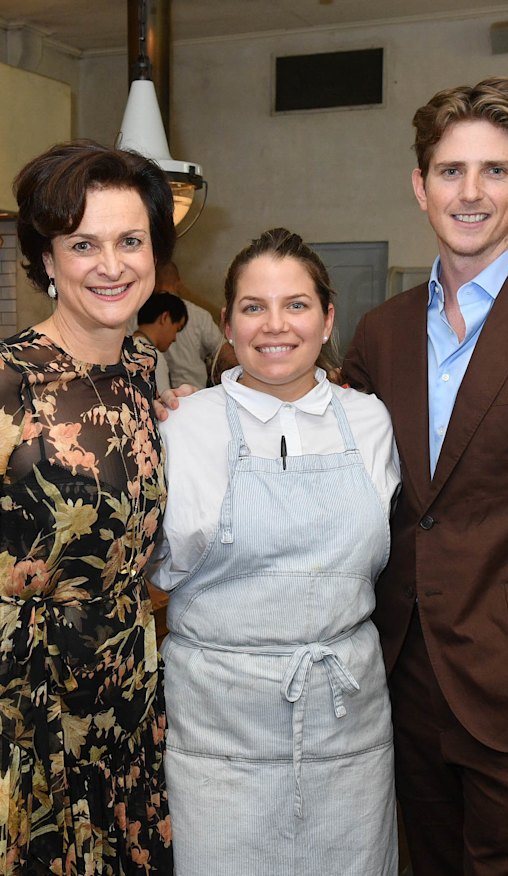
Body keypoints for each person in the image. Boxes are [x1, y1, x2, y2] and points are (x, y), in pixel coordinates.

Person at [343, 76, 508, 875]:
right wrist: (212, 414)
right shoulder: (380, 331)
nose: (470, 192)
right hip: (406, 689)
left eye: (496, 171)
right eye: (450, 171)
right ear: (420, 186)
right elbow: (333, 464)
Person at [150, 227, 401, 875]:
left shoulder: (370, 422)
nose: (275, 325)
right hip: (218, 736)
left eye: (296, 304)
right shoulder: (184, 426)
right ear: (227, 324)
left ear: (327, 319)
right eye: (253, 307)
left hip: (347, 728)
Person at [0, 140, 176, 874]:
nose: (112, 265)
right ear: (46, 259)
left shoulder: (143, 370)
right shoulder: (9, 382)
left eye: (130, 240)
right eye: (83, 244)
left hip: (127, 687)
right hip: (27, 701)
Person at [155, 260, 237, 388]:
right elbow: (224, 352)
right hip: (195, 393)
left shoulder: (136, 317)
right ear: (179, 283)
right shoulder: (198, 314)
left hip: (157, 399)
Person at [134, 291, 188, 394]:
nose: (174, 338)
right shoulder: (154, 358)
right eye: (177, 329)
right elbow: (163, 404)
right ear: (165, 318)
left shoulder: (120, 347)